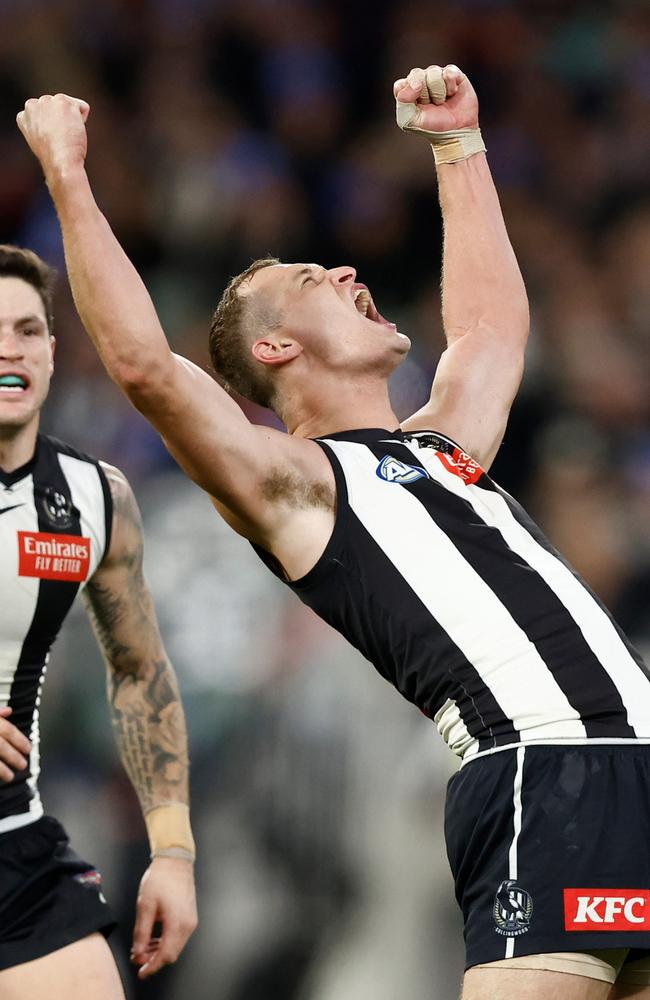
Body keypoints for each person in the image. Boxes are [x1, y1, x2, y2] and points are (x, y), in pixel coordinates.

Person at [16, 64, 650, 1000]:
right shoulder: (297, 487)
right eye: (315, 277)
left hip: (633, 761)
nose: (349, 270)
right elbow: (148, 368)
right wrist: (69, 175)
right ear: (276, 349)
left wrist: (457, 146)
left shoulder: (441, 451)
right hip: (537, 771)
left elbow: (490, 335)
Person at [0, 244, 197, 999]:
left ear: (52, 352)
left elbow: (140, 670)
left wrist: (172, 853)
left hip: (13, 845)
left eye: (27, 330)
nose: (9, 349)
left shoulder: (93, 500)